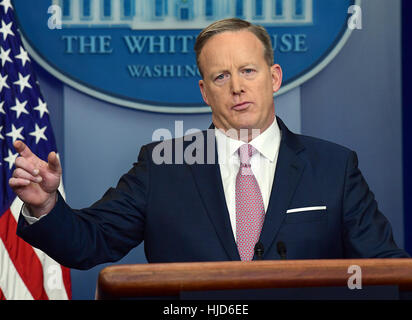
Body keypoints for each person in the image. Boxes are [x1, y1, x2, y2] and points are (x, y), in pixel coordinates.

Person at [10, 18, 408, 269]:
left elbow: (385, 268)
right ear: (204, 91)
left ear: (274, 78)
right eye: (221, 77)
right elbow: (90, 242)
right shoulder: (163, 164)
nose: (237, 87)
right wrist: (44, 205)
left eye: (248, 71)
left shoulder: (334, 167)